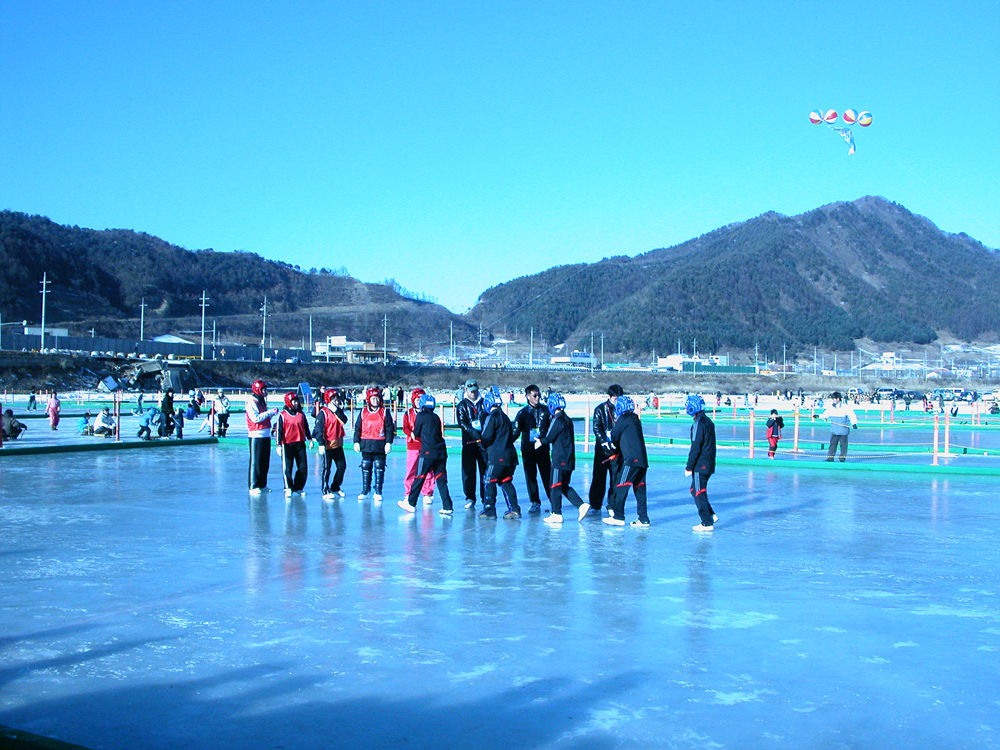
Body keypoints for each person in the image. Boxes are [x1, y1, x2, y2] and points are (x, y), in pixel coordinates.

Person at [536, 393, 589, 524]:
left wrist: (540, 441)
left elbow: (549, 437)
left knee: (554, 486)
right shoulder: (567, 419)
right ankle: (581, 505)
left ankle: (556, 513)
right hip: (569, 459)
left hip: (560, 459)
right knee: (563, 485)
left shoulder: (558, 420)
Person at [397, 394, 455, 516]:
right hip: (441, 452)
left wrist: (414, 434)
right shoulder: (436, 417)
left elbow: (416, 432)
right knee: (441, 479)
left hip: (428, 452)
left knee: (419, 476)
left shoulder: (421, 416)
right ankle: (447, 506)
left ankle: (411, 503)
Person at [604, 396, 650, 528]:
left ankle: (618, 516)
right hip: (642, 461)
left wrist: (610, 442)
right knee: (639, 489)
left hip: (631, 460)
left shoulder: (623, 419)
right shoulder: (635, 419)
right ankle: (643, 518)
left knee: (620, 485)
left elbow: (614, 436)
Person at [480, 387, 520, 520]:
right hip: (510, 456)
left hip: (497, 456)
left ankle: (489, 509)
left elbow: (486, 436)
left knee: (488, 480)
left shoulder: (492, 417)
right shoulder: (505, 417)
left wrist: (481, 444)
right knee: (505, 481)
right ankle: (514, 508)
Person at [511, 384, 551, 514]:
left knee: (547, 476)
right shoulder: (522, 413)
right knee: (530, 476)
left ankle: (553, 501)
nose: (537, 397)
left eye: (539, 395)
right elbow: (515, 432)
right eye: (534, 395)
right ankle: (535, 501)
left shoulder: (546, 411)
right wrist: (503, 443)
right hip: (528, 450)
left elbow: (554, 428)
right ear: (528, 396)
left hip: (543, 448)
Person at [353, 386, 396, 502]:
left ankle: (378, 491)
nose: (375, 401)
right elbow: (357, 428)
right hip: (366, 443)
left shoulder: (385, 412)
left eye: (377, 398)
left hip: (379, 444)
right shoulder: (363, 412)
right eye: (373, 399)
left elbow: (389, 429)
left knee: (379, 467)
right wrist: (356, 441)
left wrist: (388, 443)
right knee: (366, 466)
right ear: (368, 399)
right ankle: (365, 490)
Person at [685, 394, 718, 532]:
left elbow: (696, 446)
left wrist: (689, 466)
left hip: (701, 463)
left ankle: (706, 522)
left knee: (698, 491)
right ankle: (710, 514)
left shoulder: (698, 424)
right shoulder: (708, 421)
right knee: (694, 489)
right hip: (708, 462)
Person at [590, 385, 624, 515]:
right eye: (615, 399)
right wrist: (604, 442)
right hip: (602, 452)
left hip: (617, 451)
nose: (617, 401)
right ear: (609, 397)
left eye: (619, 399)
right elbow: (597, 427)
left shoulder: (623, 410)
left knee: (616, 479)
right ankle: (595, 505)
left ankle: (612, 504)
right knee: (599, 478)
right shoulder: (600, 409)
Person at [455, 378, 487, 509]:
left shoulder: (484, 403)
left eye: (475, 391)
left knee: (484, 471)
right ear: (466, 390)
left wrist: (484, 435)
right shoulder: (462, 405)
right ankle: (470, 497)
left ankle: (486, 497)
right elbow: (462, 422)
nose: (473, 393)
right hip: (469, 442)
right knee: (468, 472)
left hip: (483, 443)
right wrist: (473, 433)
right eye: (470, 391)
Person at [312, 388, 349, 499]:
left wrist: (336, 411)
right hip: (327, 445)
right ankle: (325, 489)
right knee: (326, 468)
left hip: (338, 445)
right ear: (328, 400)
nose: (336, 400)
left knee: (342, 467)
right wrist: (321, 443)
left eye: (337, 398)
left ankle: (335, 487)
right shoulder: (323, 413)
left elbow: (344, 420)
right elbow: (319, 429)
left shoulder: (338, 411)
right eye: (333, 398)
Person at [402, 388, 436, 504]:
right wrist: (410, 433)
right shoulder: (408, 413)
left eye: (421, 400)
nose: (418, 402)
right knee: (412, 469)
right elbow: (405, 427)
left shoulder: (429, 414)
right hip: (413, 445)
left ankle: (427, 492)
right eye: (417, 400)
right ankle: (409, 493)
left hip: (426, 445)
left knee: (428, 469)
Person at [246, 379, 280, 495]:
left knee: (265, 461)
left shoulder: (262, 402)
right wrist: (269, 413)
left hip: (265, 434)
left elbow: (264, 417)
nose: (266, 392)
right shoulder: (251, 402)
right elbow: (255, 418)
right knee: (256, 461)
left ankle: (262, 484)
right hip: (256, 435)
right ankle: (253, 485)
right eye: (264, 389)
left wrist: (271, 415)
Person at [276, 392, 310, 497]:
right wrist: (278, 444)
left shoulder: (301, 414)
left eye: (297, 401)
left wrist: (310, 439)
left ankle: (298, 487)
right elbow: (279, 430)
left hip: (300, 443)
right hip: (287, 445)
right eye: (293, 401)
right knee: (288, 468)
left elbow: (306, 427)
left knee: (303, 467)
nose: (296, 403)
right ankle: (288, 487)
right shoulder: (283, 415)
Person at [822, 391, 858, 462]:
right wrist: (819, 416)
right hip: (834, 430)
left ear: (838, 399)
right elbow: (825, 415)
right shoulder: (831, 407)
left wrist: (854, 423)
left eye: (834, 399)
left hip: (843, 430)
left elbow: (852, 415)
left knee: (843, 445)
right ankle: (830, 457)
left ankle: (842, 458)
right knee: (832, 445)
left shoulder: (846, 407)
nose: (833, 400)